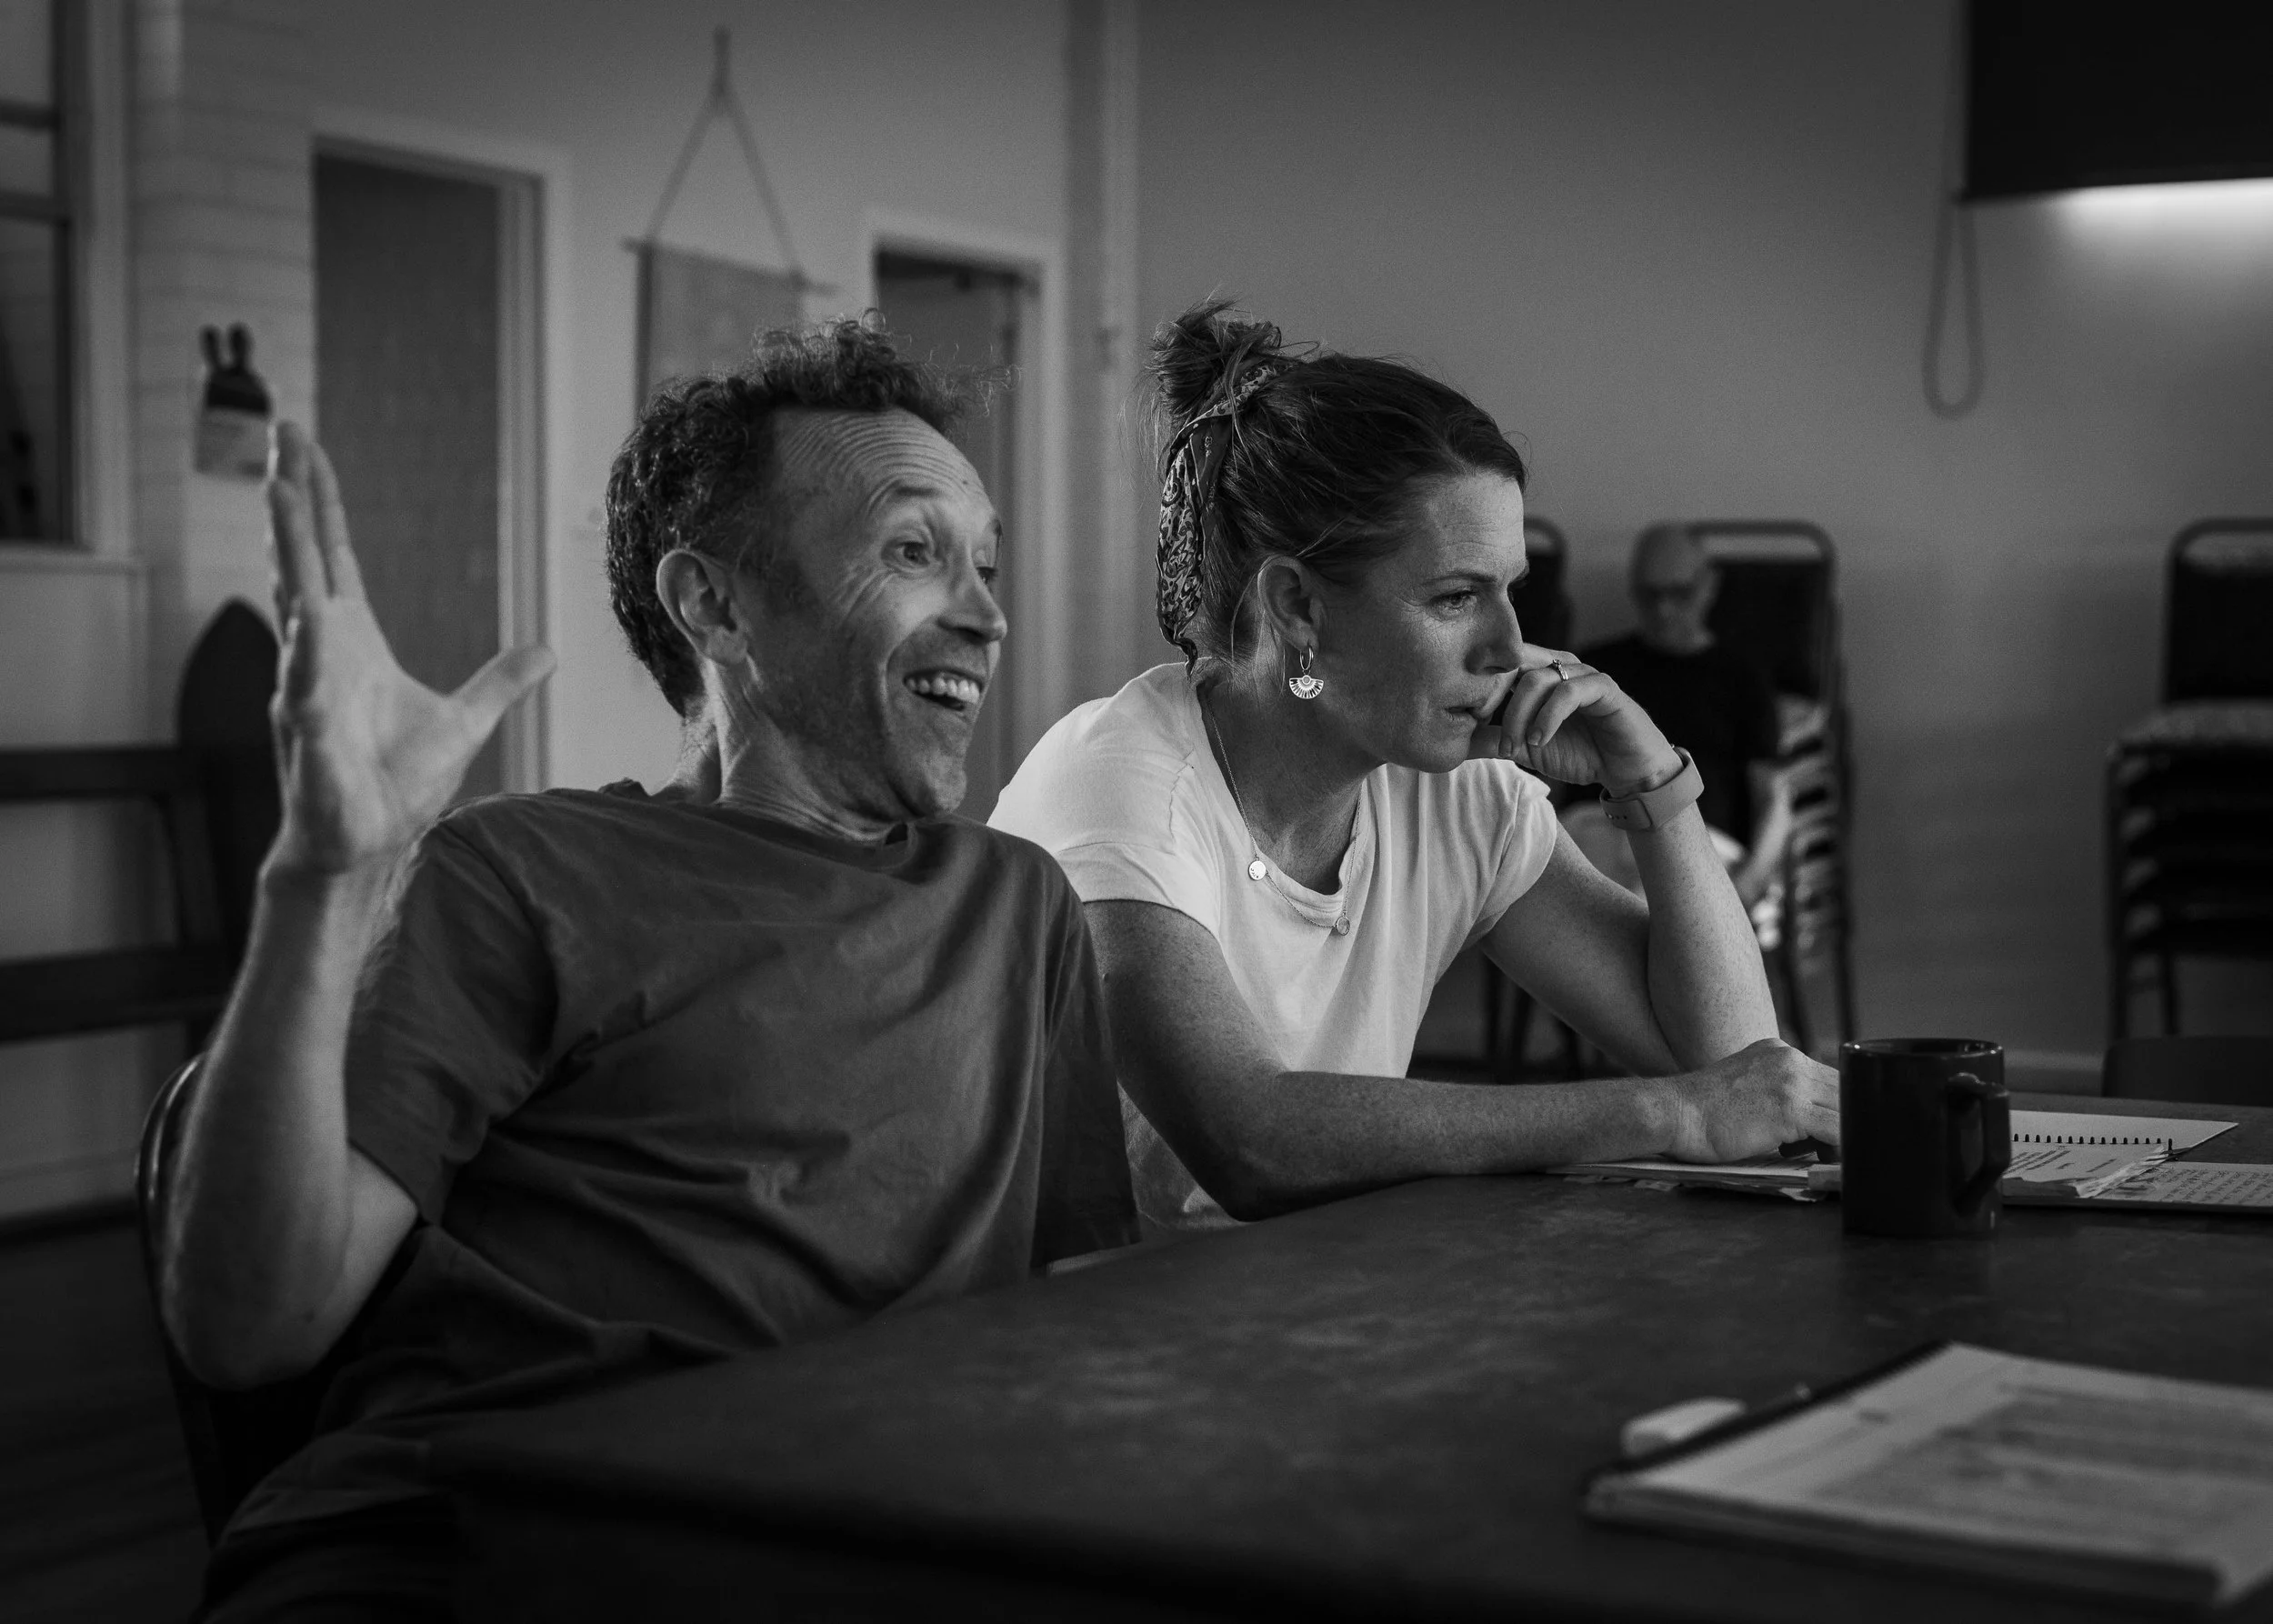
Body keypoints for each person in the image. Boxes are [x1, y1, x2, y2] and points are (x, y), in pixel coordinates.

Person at [162, 319, 1135, 1619]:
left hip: (859, 1540)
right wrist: (321, 882)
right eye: (915, 551)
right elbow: (252, 1324)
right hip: (473, 1536)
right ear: (714, 603)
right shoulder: (518, 869)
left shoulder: (1018, 905)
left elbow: (1091, 1304)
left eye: (987, 562)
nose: (989, 611)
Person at [990, 302, 1837, 1238]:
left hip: (1298, 1316)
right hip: (1075, 1340)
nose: (1511, 647)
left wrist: (1655, 791)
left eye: (1508, 591)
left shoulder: (1453, 792)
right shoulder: (1118, 791)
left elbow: (1728, 1064)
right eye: (1454, 597)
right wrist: (1663, 1113)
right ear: (1297, 604)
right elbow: (1250, 1141)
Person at [1567, 524, 1794, 912]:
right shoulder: (1596, 670)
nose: (1664, 609)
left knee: (1643, 909)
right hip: (1596, 830)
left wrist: (1750, 883)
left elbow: (1773, 797)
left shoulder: (1742, 680)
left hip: (1703, 839)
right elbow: (1548, 778)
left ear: (1709, 585)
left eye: (1680, 593)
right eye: (1650, 594)